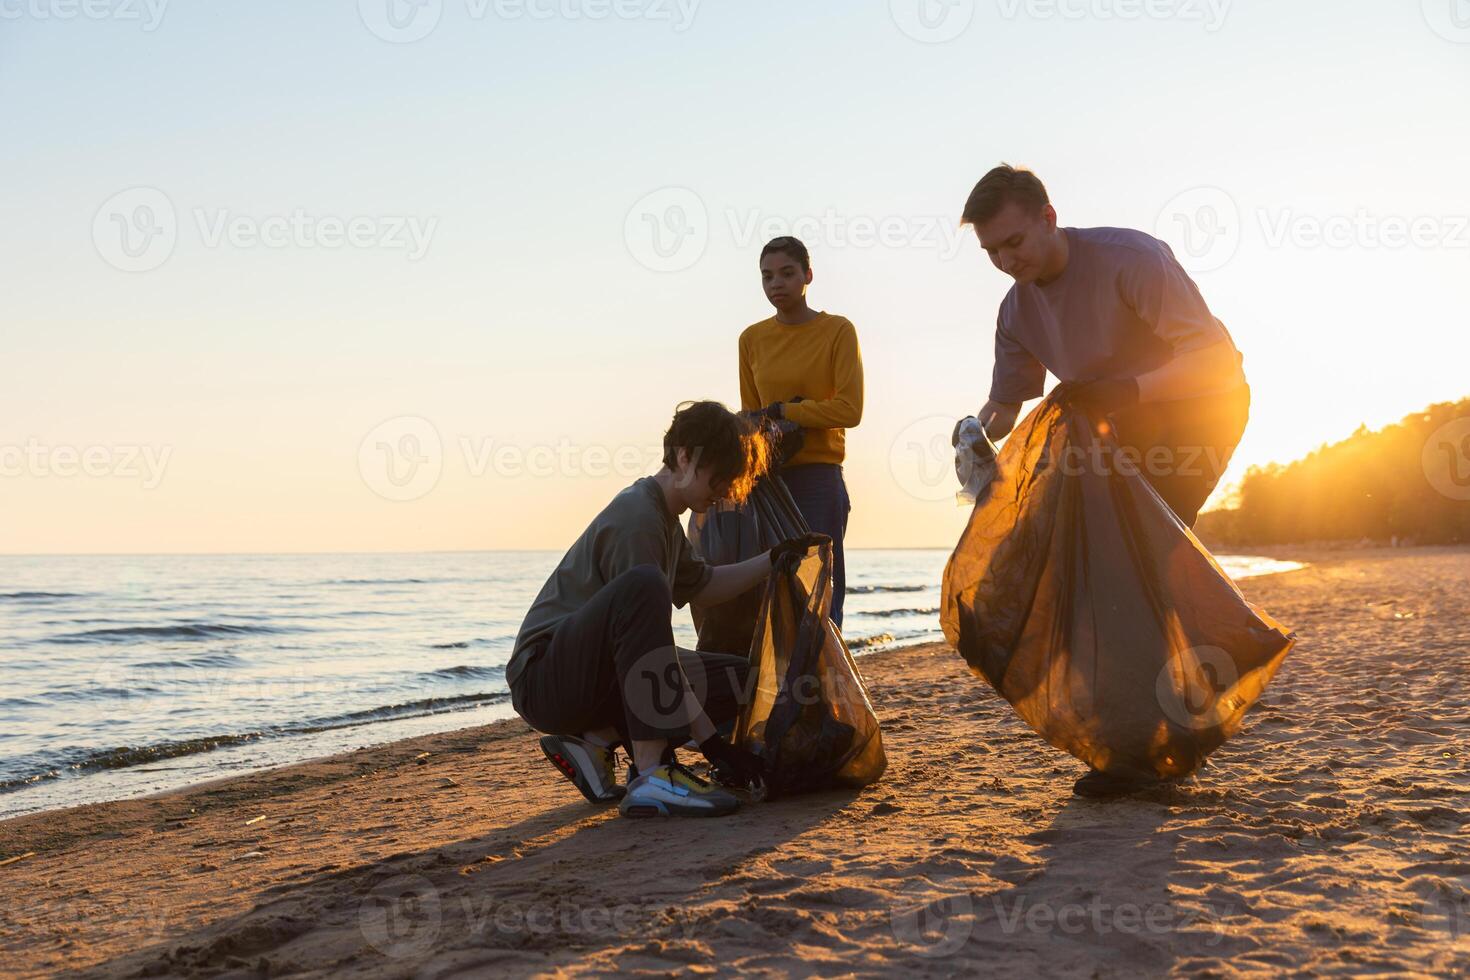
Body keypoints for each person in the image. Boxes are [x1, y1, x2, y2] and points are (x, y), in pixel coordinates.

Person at [961, 164, 1252, 798]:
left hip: (1200, 412)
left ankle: (1157, 746)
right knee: (1093, 575)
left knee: (1133, 564)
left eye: (1014, 242)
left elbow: (1215, 360)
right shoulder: (1016, 310)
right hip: (1114, 428)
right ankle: (1130, 745)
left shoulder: (1132, 259)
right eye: (991, 251)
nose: (1006, 260)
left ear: (1048, 216)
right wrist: (972, 432)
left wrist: (1125, 389)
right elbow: (1006, 404)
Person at [508, 400, 819, 818]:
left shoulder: (666, 519)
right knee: (646, 587)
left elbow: (704, 585)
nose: (726, 490)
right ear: (685, 456)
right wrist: (713, 746)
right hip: (546, 678)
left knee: (741, 680)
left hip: (595, 676)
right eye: (719, 477)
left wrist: (773, 559)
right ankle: (651, 772)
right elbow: (651, 656)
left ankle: (594, 741)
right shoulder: (637, 518)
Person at [739, 237, 864, 627]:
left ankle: (826, 684)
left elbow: (849, 409)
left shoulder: (837, 331)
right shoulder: (751, 339)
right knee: (773, 592)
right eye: (767, 276)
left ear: (808, 275)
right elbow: (749, 417)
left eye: (787, 273)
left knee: (821, 593)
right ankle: (782, 686)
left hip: (818, 477)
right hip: (766, 480)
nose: (776, 283)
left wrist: (784, 410)